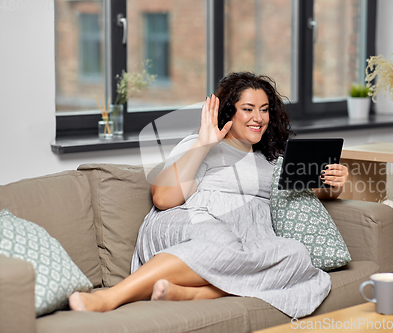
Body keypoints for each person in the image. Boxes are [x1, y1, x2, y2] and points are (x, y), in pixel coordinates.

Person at [69, 72, 349, 318]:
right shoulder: (199, 143)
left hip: (247, 243)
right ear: (229, 111)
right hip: (190, 224)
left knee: (296, 254)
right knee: (217, 239)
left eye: (264, 110)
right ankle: (110, 297)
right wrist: (203, 145)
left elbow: (295, 199)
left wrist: (332, 186)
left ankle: (194, 293)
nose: (258, 118)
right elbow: (163, 199)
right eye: (248, 109)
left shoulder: (273, 157)